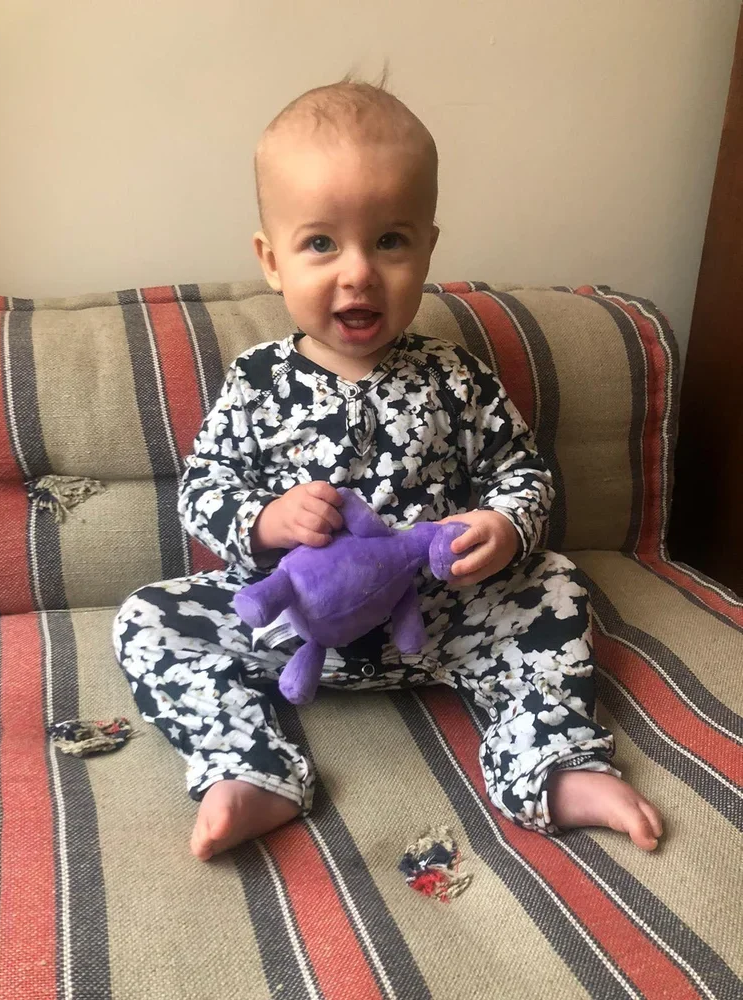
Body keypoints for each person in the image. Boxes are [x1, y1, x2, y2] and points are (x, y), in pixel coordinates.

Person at [113, 78, 663, 861]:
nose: (359, 273)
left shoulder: (455, 375)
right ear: (271, 260)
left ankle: (553, 761)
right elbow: (204, 487)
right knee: (147, 618)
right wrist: (264, 521)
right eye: (321, 244)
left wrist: (504, 527)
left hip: (441, 619)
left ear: (427, 249)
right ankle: (248, 769)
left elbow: (523, 471)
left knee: (556, 584)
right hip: (298, 628)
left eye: (390, 242)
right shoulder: (257, 381)